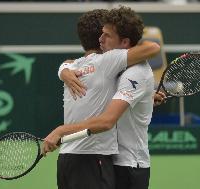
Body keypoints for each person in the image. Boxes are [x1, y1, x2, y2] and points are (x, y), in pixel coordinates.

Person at [42, 8, 160, 189]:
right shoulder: (99, 65)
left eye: (107, 35)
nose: (101, 39)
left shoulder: (130, 70)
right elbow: (69, 63)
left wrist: (62, 130)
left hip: (129, 164)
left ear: (124, 42)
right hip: (107, 160)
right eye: (101, 34)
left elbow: (107, 121)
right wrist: (63, 71)